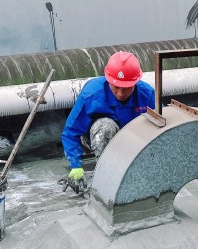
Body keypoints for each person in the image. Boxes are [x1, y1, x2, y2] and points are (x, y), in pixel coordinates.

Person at [61, 51, 155, 194]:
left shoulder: (147, 94)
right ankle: (106, 177)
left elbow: (161, 125)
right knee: (105, 127)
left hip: (131, 138)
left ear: (135, 83)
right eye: (116, 87)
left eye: (126, 88)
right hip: (97, 137)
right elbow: (70, 132)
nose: (120, 94)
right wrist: (76, 166)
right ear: (108, 80)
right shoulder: (92, 94)